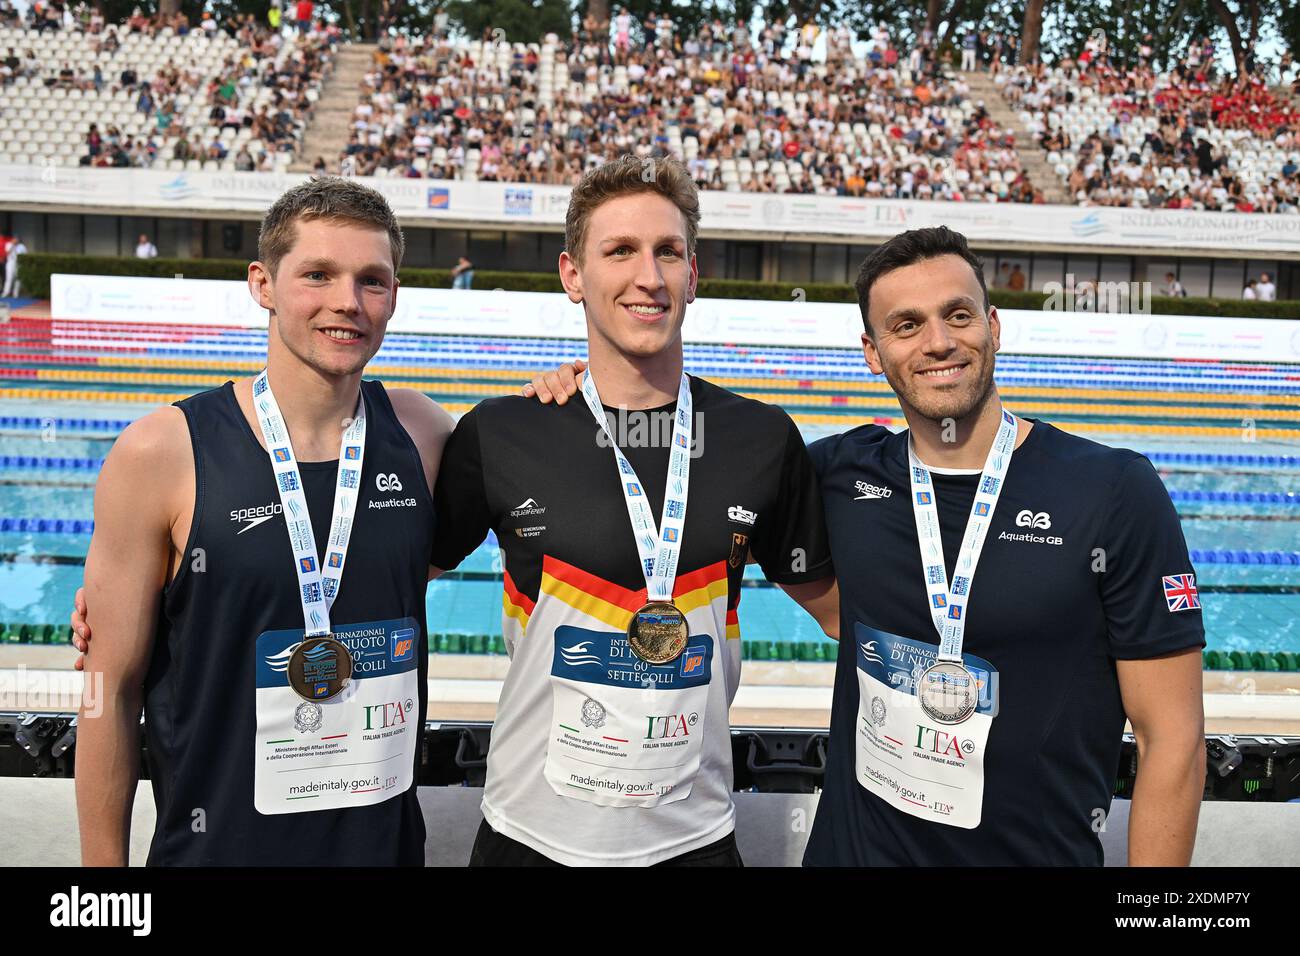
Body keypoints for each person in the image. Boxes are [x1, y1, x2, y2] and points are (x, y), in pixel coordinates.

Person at [430, 154, 838, 866]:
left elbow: (843, 613)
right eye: (619, 251)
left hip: (695, 841)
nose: (648, 276)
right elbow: (391, 582)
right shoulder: (503, 433)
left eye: (668, 253)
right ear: (572, 275)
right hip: (529, 839)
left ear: (693, 276)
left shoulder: (760, 437)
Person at [74, 177, 454, 865]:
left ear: (395, 295)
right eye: (318, 274)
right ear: (263, 284)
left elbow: (543, 507)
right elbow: (110, 688)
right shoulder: (163, 453)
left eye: (372, 280)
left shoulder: (424, 436)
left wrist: (565, 392)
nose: (348, 301)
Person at [799, 227, 1205, 865]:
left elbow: (1171, 740)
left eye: (957, 315)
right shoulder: (838, 475)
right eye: (906, 325)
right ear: (872, 353)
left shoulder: (1112, 490)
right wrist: (582, 399)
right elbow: (710, 479)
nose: (938, 342)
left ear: (993, 325)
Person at [1, 233, 24, 297]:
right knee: (9, 278)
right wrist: (12, 245)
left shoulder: (21, 246)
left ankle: (15, 293)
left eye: (17, 239)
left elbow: (24, 255)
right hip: (10, 263)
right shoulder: (9, 244)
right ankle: (6, 292)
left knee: (17, 279)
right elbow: (7, 252)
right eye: (14, 239)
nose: (16, 240)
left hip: (18, 263)